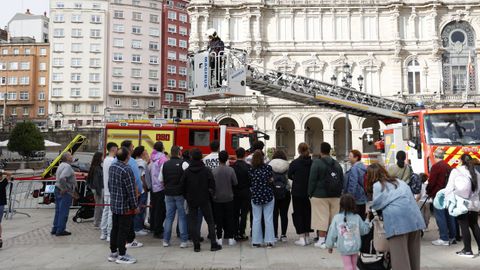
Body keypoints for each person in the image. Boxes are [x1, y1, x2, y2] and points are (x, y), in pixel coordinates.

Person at [369, 163, 425, 270]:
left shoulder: (377, 185)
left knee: (400, 260)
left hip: (398, 224)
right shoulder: (401, 182)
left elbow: (377, 204)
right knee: (414, 259)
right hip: (415, 220)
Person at [181, 148, 222, 252]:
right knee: (210, 221)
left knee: (193, 221)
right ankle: (213, 244)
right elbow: (212, 185)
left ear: (191, 157)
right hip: (204, 198)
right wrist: (209, 194)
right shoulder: (206, 170)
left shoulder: (187, 172)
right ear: (201, 157)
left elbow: (182, 186)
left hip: (192, 199)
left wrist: (187, 196)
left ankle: (196, 245)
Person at [308, 142, 344, 248]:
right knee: (335, 219)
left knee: (321, 218)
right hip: (335, 195)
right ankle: (335, 240)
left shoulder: (317, 163)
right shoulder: (337, 163)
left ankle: (322, 240)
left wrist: (310, 193)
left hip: (319, 195)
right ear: (330, 151)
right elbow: (341, 179)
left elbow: (312, 179)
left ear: (321, 151)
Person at [444, 154, 480, 258]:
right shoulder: (476, 173)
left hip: (461, 203)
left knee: (464, 226)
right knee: (474, 225)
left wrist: (447, 201)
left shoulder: (456, 171)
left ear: (461, 161)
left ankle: (467, 250)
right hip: (474, 204)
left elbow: (449, 187)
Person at [107, 147, 139, 264]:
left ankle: (113, 252)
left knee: (115, 229)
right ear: (127, 157)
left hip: (115, 204)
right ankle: (122, 254)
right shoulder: (127, 169)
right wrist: (135, 206)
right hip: (125, 206)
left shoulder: (112, 167)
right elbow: (131, 190)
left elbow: (110, 185)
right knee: (123, 231)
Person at [325, 194, 370, 270]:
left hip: (343, 247)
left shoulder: (337, 218)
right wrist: (367, 219)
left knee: (348, 266)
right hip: (355, 246)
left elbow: (332, 233)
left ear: (341, 205)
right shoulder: (357, 217)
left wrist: (330, 245)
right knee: (353, 265)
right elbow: (364, 230)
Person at [426, 149, 456, 246]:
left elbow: (432, 182)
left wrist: (428, 191)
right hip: (448, 194)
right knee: (449, 216)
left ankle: (444, 238)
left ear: (435, 156)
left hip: (438, 194)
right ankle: (452, 237)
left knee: (440, 216)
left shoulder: (436, 167)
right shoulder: (448, 166)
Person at [162, 146, 188, 248]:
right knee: (181, 217)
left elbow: (161, 179)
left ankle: (166, 240)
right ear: (179, 153)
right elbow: (188, 178)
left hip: (168, 193)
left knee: (169, 217)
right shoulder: (184, 164)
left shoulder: (165, 164)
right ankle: (183, 241)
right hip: (180, 193)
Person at [288, 143, 313, 246]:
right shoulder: (312, 162)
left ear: (298, 150)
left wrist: (297, 179)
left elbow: (289, 175)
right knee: (308, 212)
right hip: (309, 192)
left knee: (298, 213)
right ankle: (307, 236)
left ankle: (301, 237)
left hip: (297, 191)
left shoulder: (295, 163)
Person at [249, 150, 275, 248]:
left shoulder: (251, 170)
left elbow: (250, 182)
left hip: (256, 196)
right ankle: (269, 241)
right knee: (268, 219)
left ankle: (256, 241)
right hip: (268, 195)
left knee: (256, 219)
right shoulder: (268, 168)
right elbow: (272, 180)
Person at [120, 140, 144, 248]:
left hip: (118, 195)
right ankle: (130, 240)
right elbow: (137, 179)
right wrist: (139, 191)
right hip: (131, 194)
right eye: (132, 147)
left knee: (120, 220)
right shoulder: (132, 161)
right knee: (130, 218)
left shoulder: (115, 161)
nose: (133, 148)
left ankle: (123, 240)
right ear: (129, 149)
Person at [212, 150, 238, 246]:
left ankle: (219, 238)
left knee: (218, 218)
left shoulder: (214, 171)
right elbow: (235, 182)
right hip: (229, 197)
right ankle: (230, 238)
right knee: (230, 218)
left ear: (218, 159)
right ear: (227, 158)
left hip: (217, 198)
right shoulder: (231, 170)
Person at [51, 152, 78, 236]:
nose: (72, 156)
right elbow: (62, 177)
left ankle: (55, 228)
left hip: (57, 188)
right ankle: (61, 230)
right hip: (64, 191)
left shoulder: (61, 165)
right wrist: (65, 188)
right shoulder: (67, 166)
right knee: (64, 211)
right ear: (66, 158)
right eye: (70, 155)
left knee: (58, 210)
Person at [269, 149, 291, 242]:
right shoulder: (287, 165)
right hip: (285, 191)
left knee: (274, 214)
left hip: (273, 191)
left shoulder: (270, 165)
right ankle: (283, 235)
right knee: (284, 214)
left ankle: (274, 235)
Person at [231, 147, 252, 241]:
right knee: (244, 214)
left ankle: (235, 232)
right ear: (244, 155)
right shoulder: (248, 167)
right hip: (246, 192)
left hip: (235, 192)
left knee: (235, 213)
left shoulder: (232, 167)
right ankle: (242, 232)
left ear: (236, 155)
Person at [149, 141, 168, 239]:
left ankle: (153, 227)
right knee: (161, 211)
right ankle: (158, 230)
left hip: (153, 187)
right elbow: (164, 173)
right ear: (162, 148)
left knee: (154, 209)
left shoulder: (152, 157)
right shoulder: (163, 159)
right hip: (161, 187)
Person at [100, 142, 118, 241]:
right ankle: (110, 234)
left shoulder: (106, 160)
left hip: (106, 190)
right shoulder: (113, 161)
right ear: (113, 149)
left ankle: (103, 233)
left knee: (106, 212)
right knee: (111, 213)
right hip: (111, 190)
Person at [343, 150, 367, 219]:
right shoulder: (363, 167)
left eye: (350, 156)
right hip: (362, 197)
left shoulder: (354, 168)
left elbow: (353, 184)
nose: (349, 158)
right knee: (361, 218)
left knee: (354, 219)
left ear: (356, 158)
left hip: (355, 199)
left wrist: (350, 198)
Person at [86, 152, 104, 228]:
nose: (103, 158)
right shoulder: (97, 168)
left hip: (97, 189)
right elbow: (96, 181)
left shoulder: (95, 167)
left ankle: (98, 222)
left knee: (99, 206)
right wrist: (99, 191)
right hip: (98, 189)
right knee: (99, 206)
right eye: (102, 157)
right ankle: (97, 223)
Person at [0, 170, 12, 248]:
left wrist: (1, 171)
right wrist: (2, 172)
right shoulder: (3, 183)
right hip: (1, 205)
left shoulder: (2, 183)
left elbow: (9, 174)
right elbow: (9, 174)